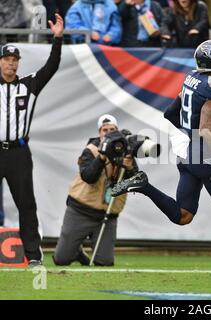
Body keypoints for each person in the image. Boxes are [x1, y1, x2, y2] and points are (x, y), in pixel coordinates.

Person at [111, 40, 211, 278]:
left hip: (190, 154)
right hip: (203, 155)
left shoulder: (191, 78)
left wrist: (192, 134)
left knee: (183, 215)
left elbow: (171, 113)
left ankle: (143, 185)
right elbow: (206, 131)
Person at [0, 13, 64, 267]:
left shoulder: (29, 86)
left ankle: (33, 255)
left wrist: (57, 39)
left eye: (15, 60)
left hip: (18, 152)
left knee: (27, 204)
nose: (11, 64)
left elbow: (52, 66)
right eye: (7, 59)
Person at [53, 115, 138, 266]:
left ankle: (89, 249)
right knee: (61, 259)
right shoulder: (91, 150)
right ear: (99, 133)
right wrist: (102, 156)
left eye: (113, 130)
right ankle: (75, 251)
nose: (109, 133)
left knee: (104, 262)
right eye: (105, 130)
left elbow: (133, 182)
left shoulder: (125, 152)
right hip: (81, 210)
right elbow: (88, 177)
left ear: (118, 131)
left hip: (108, 213)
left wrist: (130, 166)